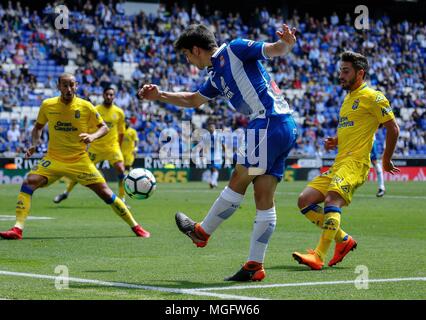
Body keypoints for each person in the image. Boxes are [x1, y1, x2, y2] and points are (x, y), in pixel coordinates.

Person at [137, 23, 298, 281]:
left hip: (268, 121)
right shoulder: (215, 76)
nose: (188, 61)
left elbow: (274, 49)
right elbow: (193, 100)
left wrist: (286, 43)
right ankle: (254, 266)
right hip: (283, 125)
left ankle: (202, 232)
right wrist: (160, 95)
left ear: (196, 49)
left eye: (187, 55)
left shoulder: (234, 49)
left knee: (239, 178)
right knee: (263, 195)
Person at [0, 73, 150, 240]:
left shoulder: (86, 106)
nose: (68, 89)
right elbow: (38, 128)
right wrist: (34, 144)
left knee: (106, 193)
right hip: (54, 159)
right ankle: (17, 229)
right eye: (65, 85)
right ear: (58, 86)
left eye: (71, 85)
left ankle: (136, 226)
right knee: (29, 182)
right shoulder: (47, 105)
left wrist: (92, 137)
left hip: (79, 160)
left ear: (76, 86)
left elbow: (104, 128)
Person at [293, 51, 400, 270]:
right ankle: (343, 240)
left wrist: (386, 159)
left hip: (356, 163)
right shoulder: (348, 98)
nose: (340, 75)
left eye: (345, 71)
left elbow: (393, 128)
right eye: (340, 70)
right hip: (339, 162)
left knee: (332, 199)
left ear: (360, 73)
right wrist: (336, 140)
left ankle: (319, 256)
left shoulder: (374, 96)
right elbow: (354, 129)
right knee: (304, 200)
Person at [53, 87, 128, 205]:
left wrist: (118, 146)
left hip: (112, 147)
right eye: (107, 94)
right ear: (103, 95)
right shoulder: (95, 109)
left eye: (111, 95)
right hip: (95, 147)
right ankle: (65, 193)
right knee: (80, 171)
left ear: (114, 96)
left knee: (121, 169)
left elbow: (121, 131)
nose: (109, 97)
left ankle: (122, 198)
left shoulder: (119, 112)